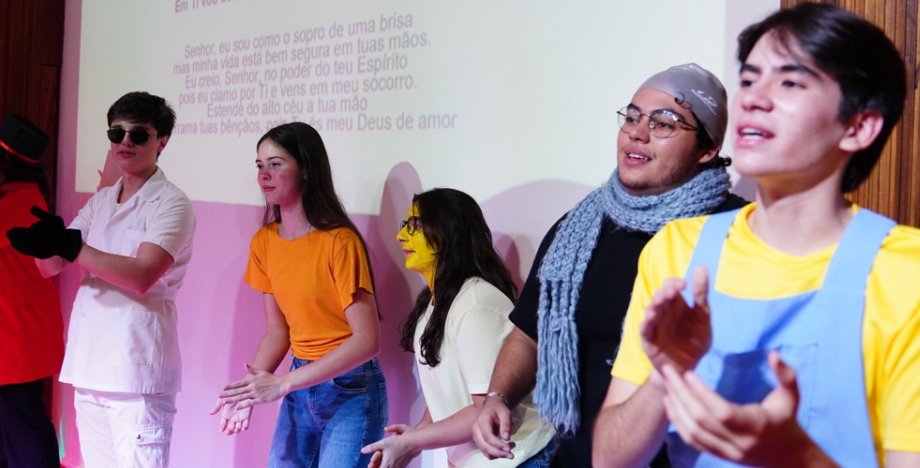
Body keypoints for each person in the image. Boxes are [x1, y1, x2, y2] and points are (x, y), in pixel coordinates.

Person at [593, 2, 920, 468]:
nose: (753, 99)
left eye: (790, 82)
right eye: (749, 80)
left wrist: (796, 455)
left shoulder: (911, 272)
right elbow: (609, 460)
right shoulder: (676, 248)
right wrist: (665, 374)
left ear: (858, 126)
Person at [472, 63, 747, 467]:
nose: (637, 132)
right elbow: (529, 335)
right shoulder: (577, 228)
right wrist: (498, 397)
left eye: (663, 123)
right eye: (632, 117)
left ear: (707, 150)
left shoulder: (739, 234)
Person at [8, 92, 196, 467]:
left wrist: (71, 247)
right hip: (89, 366)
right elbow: (50, 267)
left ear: (162, 141)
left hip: (135, 373)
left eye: (138, 134)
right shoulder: (102, 200)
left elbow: (142, 275)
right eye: (116, 133)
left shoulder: (172, 203)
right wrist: (44, 245)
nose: (125, 142)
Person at [211, 122, 387, 468]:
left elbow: (367, 340)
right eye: (260, 165)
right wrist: (250, 389)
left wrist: (283, 384)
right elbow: (278, 331)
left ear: (306, 168)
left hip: (350, 388)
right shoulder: (264, 241)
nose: (264, 175)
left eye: (276, 164)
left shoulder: (340, 241)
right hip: (300, 382)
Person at [362, 188, 557, 468]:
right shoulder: (435, 302)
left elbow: (485, 410)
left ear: (448, 233)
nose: (401, 235)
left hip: (520, 460)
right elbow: (448, 393)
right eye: (405, 225)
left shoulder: (475, 303)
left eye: (415, 226)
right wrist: (415, 438)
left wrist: (412, 442)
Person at [0, 114, 64, 467]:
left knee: (23, 424)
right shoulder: (8, 197)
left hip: (19, 332)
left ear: (4, 161)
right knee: (6, 427)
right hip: (9, 329)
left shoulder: (21, 200)